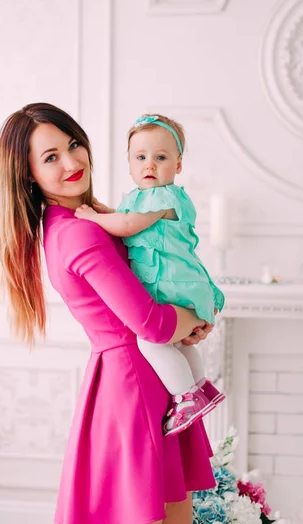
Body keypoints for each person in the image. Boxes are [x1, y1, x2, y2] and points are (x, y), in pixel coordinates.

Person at [0, 102, 216, 524]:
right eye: (51, 157)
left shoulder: (85, 222)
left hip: (138, 378)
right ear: (28, 175)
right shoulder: (79, 233)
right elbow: (150, 322)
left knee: (170, 510)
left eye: (74, 144)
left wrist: (186, 319)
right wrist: (195, 319)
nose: (73, 161)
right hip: (136, 383)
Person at [75, 114, 225, 436]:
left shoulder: (165, 197)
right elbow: (124, 216)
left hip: (172, 282)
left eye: (161, 158)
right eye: (141, 157)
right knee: (180, 345)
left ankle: (186, 397)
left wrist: (92, 217)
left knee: (150, 342)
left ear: (178, 164)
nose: (150, 166)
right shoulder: (141, 199)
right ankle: (200, 387)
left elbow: (127, 225)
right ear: (129, 163)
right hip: (177, 281)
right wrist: (103, 209)